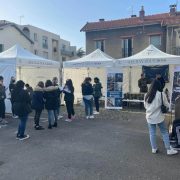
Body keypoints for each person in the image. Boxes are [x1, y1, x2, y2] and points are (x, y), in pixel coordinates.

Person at [144, 79, 178, 155]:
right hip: (159, 117)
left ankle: (154, 148)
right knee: (164, 132)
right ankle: (168, 149)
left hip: (149, 117)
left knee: (152, 133)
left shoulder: (146, 94)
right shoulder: (161, 94)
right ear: (158, 86)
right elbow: (167, 105)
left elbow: (145, 106)